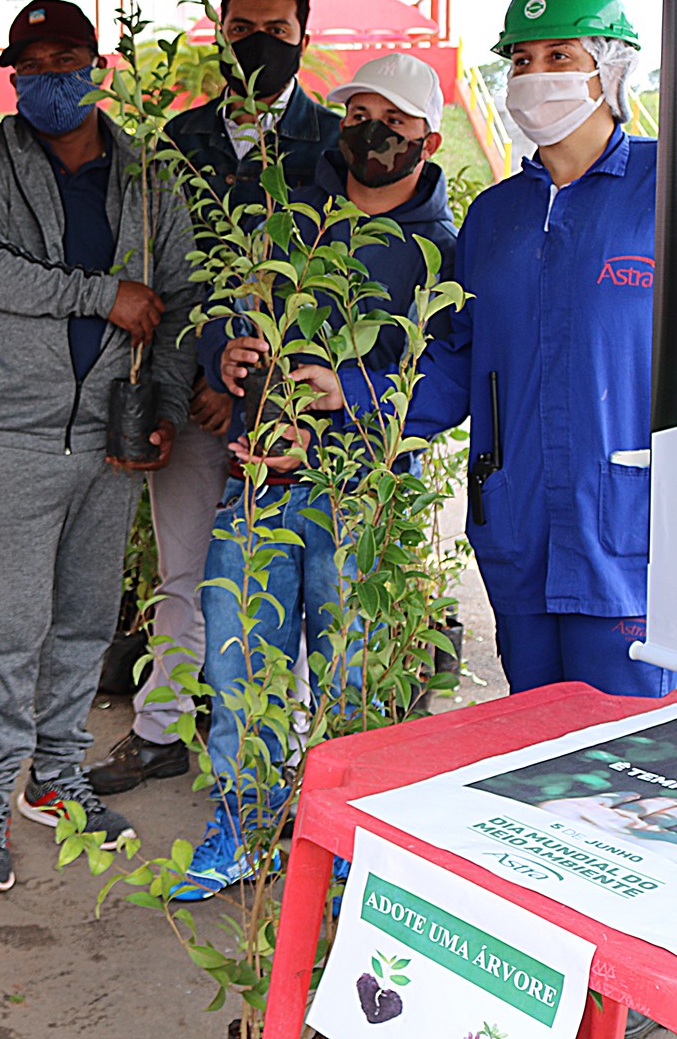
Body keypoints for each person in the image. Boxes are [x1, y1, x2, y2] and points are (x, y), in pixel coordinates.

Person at [249, 0, 676, 704]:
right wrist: (346, 390)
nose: (535, 77)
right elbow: (457, 362)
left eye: (560, 58)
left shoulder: (666, 189)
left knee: (624, 763)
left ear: (611, 69)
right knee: (532, 748)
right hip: (517, 529)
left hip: (624, 535)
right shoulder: (496, 216)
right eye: (521, 60)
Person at [0, 0, 200, 892]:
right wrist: (99, 294)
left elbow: (177, 299)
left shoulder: (148, 174)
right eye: (32, 66)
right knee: (2, 632)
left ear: (99, 67)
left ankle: (55, 778)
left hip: (107, 438)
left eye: (67, 61)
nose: (51, 80)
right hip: (9, 435)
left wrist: (159, 405)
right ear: (12, 76)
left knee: (83, 623)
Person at [187, 54, 457, 898]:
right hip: (258, 484)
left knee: (354, 674)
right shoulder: (287, 213)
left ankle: (349, 845)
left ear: (428, 139)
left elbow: (452, 378)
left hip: (362, 495)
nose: (371, 130)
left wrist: (352, 393)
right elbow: (226, 303)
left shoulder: (442, 249)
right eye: (358, 112)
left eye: (393, 120)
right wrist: (220, 352)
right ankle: (244, 823)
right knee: (241, 666)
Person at [85, 0, 343, 796]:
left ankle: (285, 738)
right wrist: (192, 376)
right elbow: (158, 278)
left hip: (292, 407)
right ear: (219, 33)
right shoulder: (178, 145)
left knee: (289, 576)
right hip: (197, 395)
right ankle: (162, 725)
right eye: (242, 31)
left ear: (304, 36)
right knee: (183, 567)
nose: (258, 45)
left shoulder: (334, 145)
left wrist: (261, 382)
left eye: (277, 31)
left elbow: (337, 273)